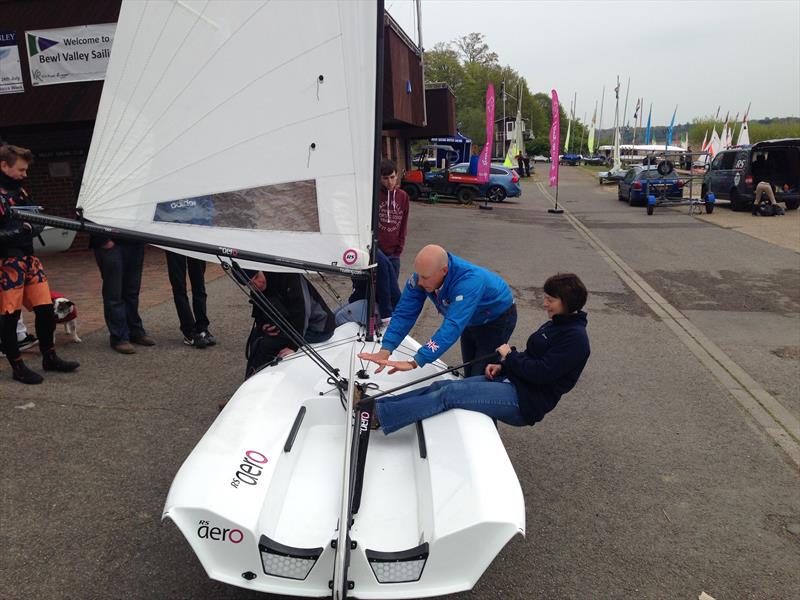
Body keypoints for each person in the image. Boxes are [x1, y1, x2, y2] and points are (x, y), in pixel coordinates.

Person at [362, 273, 590, 435]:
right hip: (511, 381)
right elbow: (533, 359)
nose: (545, 304)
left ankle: (378, 417)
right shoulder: (556, 325)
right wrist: (504, 366)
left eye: (550, 300)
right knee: (440, 386)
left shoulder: (575, 339)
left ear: (567, 303)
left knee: (449, 395)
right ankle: (379, 405)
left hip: (525, 402)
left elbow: (541, 373)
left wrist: (509, 357)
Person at [358, 244, 516, 379]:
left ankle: (488, 410)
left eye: (425, 277)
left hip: (496, 320)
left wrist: (416, 361)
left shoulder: (469, 282)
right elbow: (404, 313)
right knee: (470, 373)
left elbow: (452, 326)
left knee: (480, 378)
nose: (420, 282)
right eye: (418, 275)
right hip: (470, 319)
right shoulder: (423, 276)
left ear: (444, 270)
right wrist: (386, 348)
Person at [0, 144, 79, 384]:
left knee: (46, 310)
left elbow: (38, 219)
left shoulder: (20, 192)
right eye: (21, 169)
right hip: (6, 263)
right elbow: (23, 227)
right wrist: (21, 230)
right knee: (9, 316)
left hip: (29, 258)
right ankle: (17, 366)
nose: (25, 174)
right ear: (4, 166)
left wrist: (27, 228)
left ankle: (49, 356)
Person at [245, 271, 335, 379]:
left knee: (266, 344)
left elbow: (302, 312)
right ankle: (254, 374)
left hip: (318, 327)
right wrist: (264, 327)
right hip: (290, 325)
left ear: (261, 270)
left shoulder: (289, 275)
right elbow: (259, 316)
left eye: (256, 276)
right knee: (256, 335)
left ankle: (260, 379)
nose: (257, 284)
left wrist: (293, 346)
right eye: (250, 284)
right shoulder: (256, 289)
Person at [90, 232, 153, 354]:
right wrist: (103, 240)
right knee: (114, 293)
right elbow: (85, 213)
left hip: (135, 241)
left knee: (132, 292)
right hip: (112, 244)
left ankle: (135, 331)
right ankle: (119, 337)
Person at [334, 249, 401, 326]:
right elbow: (358, 288)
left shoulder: (378, 260)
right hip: (367, 300)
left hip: (387, 307)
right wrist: (351, 303)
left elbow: (384, 292)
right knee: (331, 318)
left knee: (340, 317)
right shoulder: (354, 257)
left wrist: (386, 317)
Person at [166, 250, 214, 349]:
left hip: (195, 238)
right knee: (179, 286)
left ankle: (202, 327)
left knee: (199, 284)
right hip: (174, 239)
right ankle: (189, 331)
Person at [378, 159, 410, 280]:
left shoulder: (403, 196)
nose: (390, 182)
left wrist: (399, 248)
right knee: (378, 288)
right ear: (380, 178)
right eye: (385, 178)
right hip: (377, 251)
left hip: (394, 253)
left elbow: (403, 224)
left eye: (392, 177)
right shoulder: (375, 194)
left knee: (393, 288)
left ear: (397, 176)